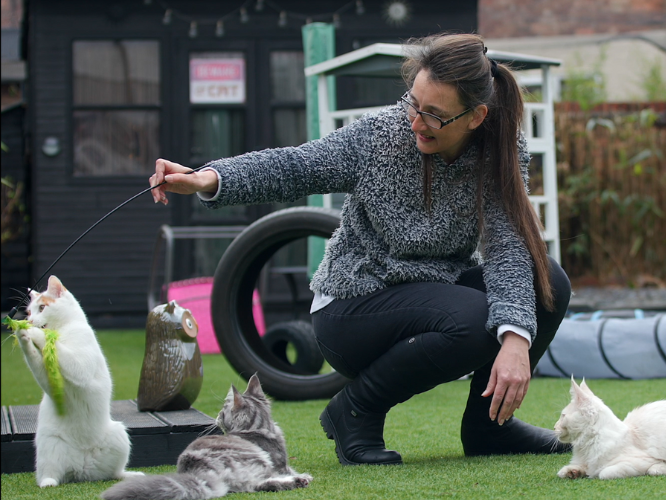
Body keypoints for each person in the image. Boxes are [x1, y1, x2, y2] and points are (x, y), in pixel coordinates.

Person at [150, 33, 572, 466]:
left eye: (434, 114)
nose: (415, 121)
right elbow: (296, 166)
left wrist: (517, 338)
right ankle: (356, 412)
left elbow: (508, 245)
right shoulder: (381, 136)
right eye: (413, 102)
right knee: (472, 317)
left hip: (436, 292)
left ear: (476, 116)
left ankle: (488, 427)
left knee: (548, 282)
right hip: (353, 306)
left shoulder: (502, 148)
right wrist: (209, 177)